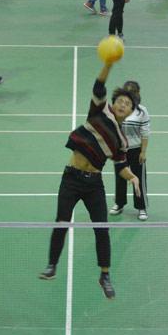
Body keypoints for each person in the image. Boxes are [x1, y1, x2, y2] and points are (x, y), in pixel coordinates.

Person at [39, 62, 142, 300]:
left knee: (102, 228)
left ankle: (105, 275)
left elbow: (121, 166)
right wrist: (108, 63)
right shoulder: (100, 111)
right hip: (71, 178)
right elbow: (99, 85)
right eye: (120, 101)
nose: (122, 105)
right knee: (62, 221)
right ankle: (52, 265)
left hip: (93, 184)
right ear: (113, 103)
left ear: (130, 112)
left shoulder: (121, 140)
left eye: (127, 104)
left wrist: (133, 177)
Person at [110, 81, 150, 220]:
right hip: (120, 150)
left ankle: (141, 207)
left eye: (132, 92)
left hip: (136, 150)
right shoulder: (117, 108)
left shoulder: (142, 111)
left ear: (137, 94)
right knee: (120, 177)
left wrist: (143, 152)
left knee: (139, 178)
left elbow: (145, 132)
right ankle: (119, 203)